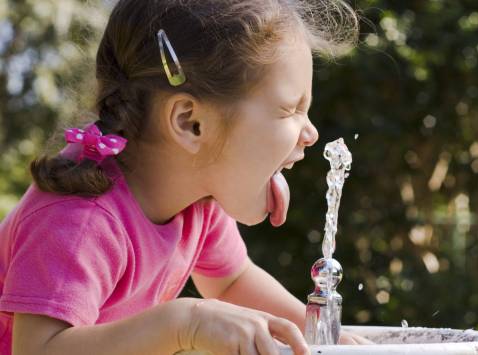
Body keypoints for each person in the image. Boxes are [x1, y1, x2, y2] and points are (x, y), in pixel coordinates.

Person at [0, 0, 368, 353]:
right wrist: (184, 323)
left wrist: (322, 338)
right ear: (190, 123)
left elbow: (232, 281)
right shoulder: (80, 222)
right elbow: (36, 350)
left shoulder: (198, 201)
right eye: (290, 110)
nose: (311, 133)